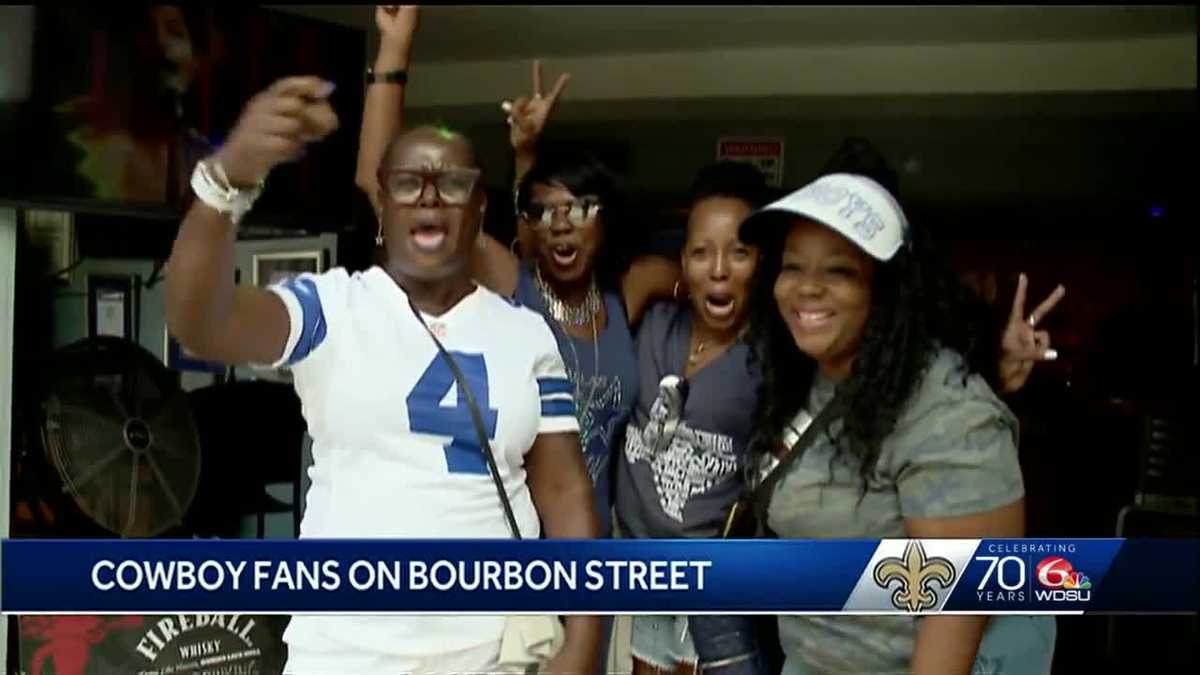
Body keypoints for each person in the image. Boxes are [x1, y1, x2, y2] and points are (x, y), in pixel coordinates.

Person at [164, 76, 600, 674]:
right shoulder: (330, 310)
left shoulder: (526, 335)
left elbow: (564, 493)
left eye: (451, 183)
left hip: (494, 657)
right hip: (346, 656)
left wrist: (580, 644)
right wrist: (226, 182)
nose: (428, 196)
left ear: (478, 210)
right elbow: (200, 325)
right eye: (406, 183)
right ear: (383, 210)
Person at [358, 7, 679, 539]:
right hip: (509, 547)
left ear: (606, 220)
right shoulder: (512, 285)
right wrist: (393, 53)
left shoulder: (631, 289)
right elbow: (380, 184)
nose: (560, 227)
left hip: (596, 552)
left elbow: (723, 280)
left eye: (578, 209)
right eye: (544, 213)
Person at [738, 173, 1057, 675]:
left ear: (886, 289)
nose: (807, 288)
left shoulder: (946, 410)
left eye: (838, 271)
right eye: (792, 266)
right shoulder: (807, 378)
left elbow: (959, 612)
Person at [615, 161, 772, 675]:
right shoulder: (653, 323)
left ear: (762, 263)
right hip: (638, 571)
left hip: (714, 583)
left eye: (740, 252)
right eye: (702, 252)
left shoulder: (774, 360)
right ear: (682, 262)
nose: (720, 268)